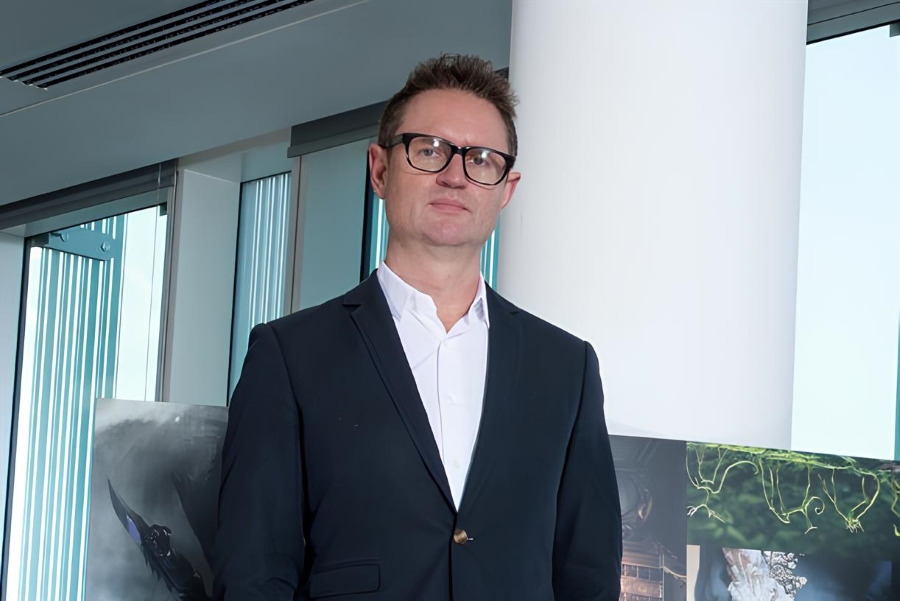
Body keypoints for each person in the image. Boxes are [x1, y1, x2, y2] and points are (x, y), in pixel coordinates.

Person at [211, 54, 622, 600]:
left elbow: (588, 575)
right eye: (428, 150)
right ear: (380, 169)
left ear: (506, 188)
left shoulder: (565, 367)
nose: (455, 176)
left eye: (481, 160)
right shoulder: (290, 356)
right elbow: (253, 572)